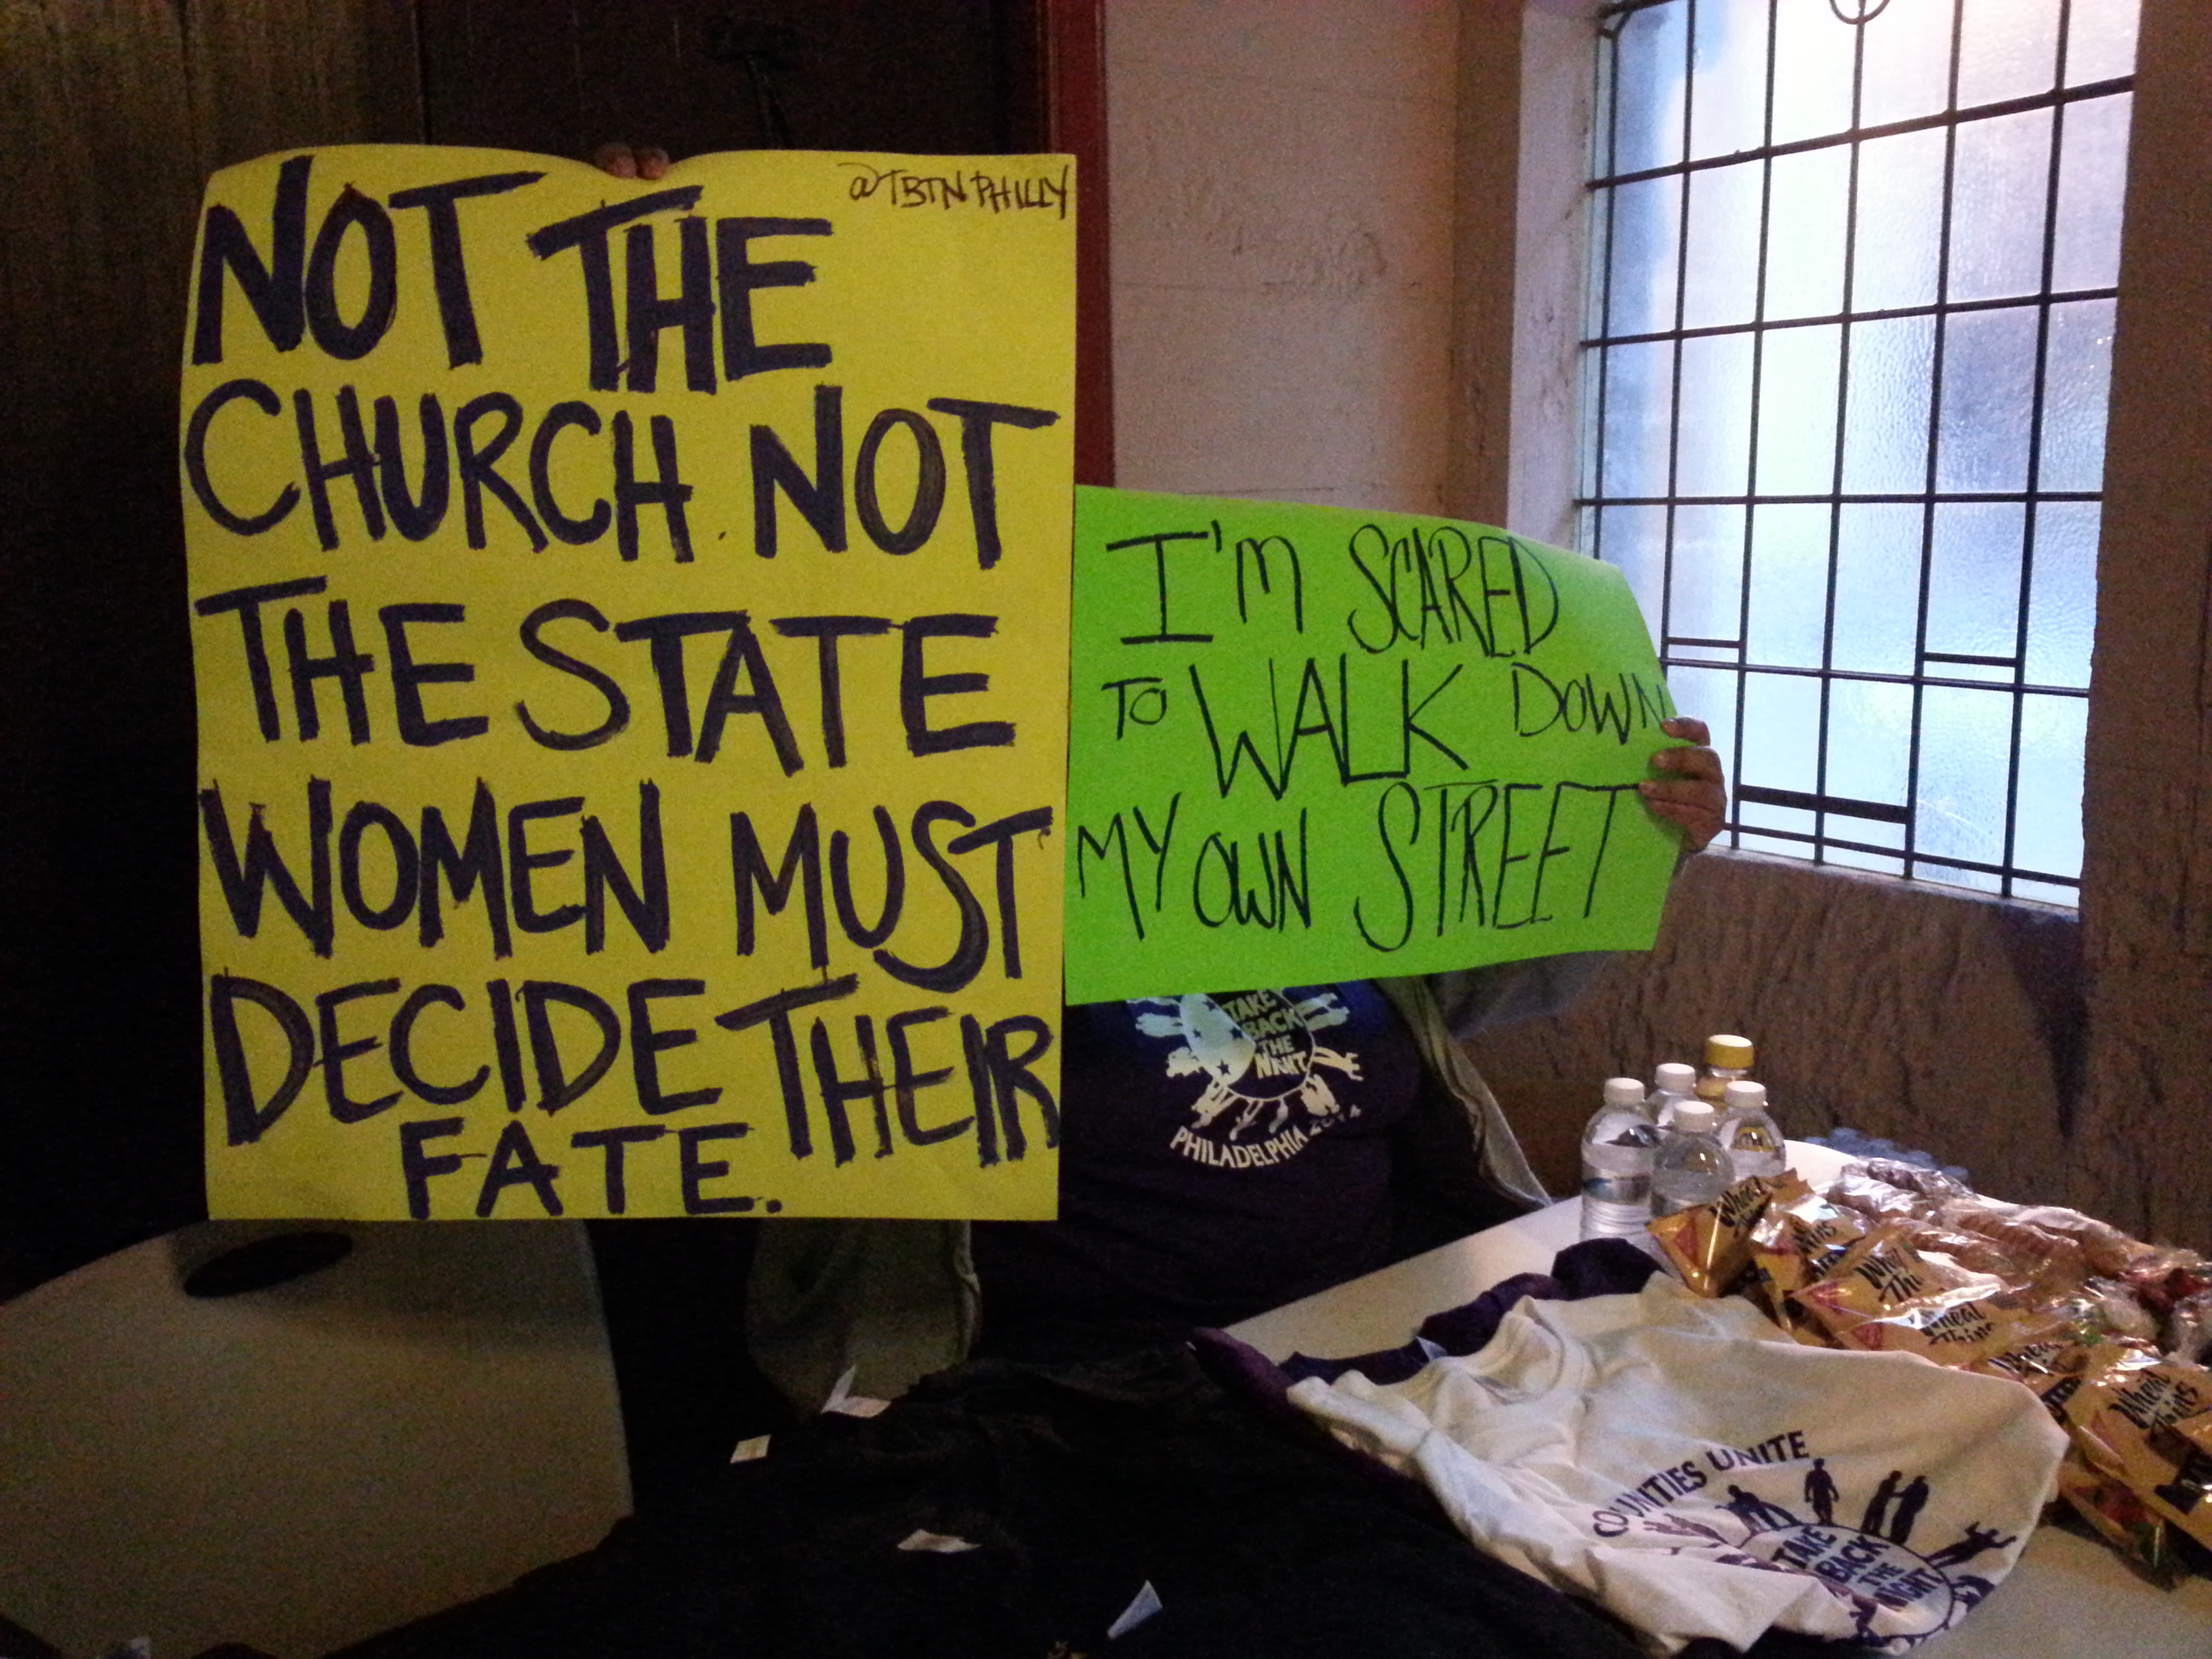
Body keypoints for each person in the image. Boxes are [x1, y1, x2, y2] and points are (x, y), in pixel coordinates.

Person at [592, 144, 1731, 1410]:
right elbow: (685, 734)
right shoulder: (918, 858)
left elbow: (1494, 963)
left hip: (1380, 1353)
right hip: (1067, 1399)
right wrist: (644, 341)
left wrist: (1635, 833)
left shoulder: (1332, 837)